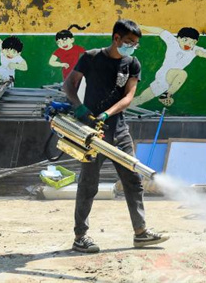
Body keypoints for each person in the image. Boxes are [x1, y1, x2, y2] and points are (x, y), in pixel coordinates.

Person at [63, 19, 168, 253]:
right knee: (88, 183)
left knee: (132, 181)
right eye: (129, 42)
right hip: (91, 132)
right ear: (116, 38)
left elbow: (129, 96)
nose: (132, 47)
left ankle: (140, 233)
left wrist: (108, 113)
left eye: (136, 44)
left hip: (118, 130)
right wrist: (79, 107)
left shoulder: (132, 63)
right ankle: (80, 236)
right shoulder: (90, 57)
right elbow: (69, 85)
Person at [132, 25, 206, 107]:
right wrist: (140, 26)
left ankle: (124, 107)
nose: (188, 44)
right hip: (164, 74)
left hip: (169, 83)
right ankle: (166, 95)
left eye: (192, 42)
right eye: (185, 40)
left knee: (141, 99)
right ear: (178, 38)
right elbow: (160, 31)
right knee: (182, 74)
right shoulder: (173, 42)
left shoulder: (195, 49)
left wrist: (204, 54)